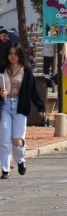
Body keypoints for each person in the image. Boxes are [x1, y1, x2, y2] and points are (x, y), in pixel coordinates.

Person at [0, 43, 45, 178]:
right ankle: (5, 170)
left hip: (20, 107)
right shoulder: (2, 69)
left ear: (20, 55)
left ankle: (20, 160)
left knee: (17, 140)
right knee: (4, 139)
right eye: (10, 53)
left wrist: (40, 107)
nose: (12, 56)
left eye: (15, 53)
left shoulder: (27, 71)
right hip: (5, 106)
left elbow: (33, 92)